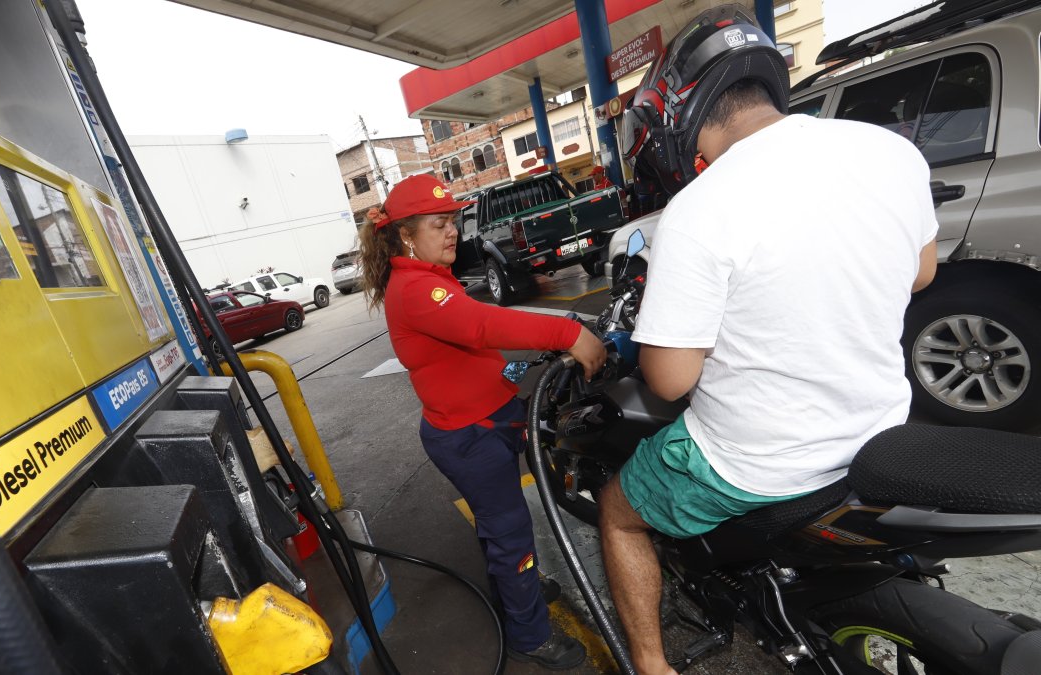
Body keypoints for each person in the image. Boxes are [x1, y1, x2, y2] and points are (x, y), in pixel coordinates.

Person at [605, 7, 938, 674]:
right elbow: (921, 271)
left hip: (756, 465)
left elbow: (670, 379)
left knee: (618, 509)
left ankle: (651, 663)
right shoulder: (890, 149)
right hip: (879, 432)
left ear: (680, 111)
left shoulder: (699, 208)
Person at [358, 173, 607, 670]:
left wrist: (518, 370)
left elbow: (474, 353)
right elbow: (481, 326)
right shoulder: (415, 289)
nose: (452, 231)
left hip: (489, 419)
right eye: (438, 224)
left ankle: (519, 585)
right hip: (469, 437)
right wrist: (568, 332)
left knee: (503, 529)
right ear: (406, 234)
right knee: (510, 532)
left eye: (453, 221)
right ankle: (530, 633)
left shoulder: (434, 280)